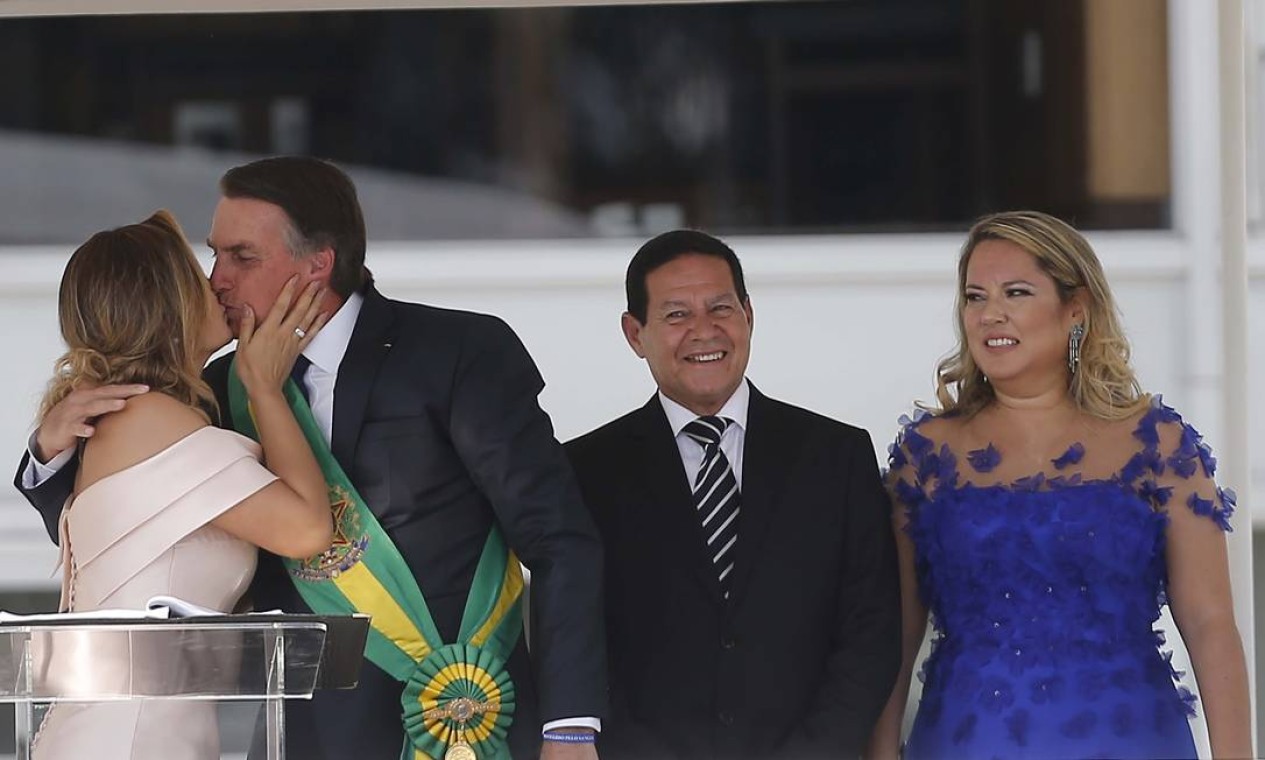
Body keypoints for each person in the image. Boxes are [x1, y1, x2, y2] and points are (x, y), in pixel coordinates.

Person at [16, 157, 606, 760]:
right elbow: (125, 536)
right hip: (305, 736)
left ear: (317, 263)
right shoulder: (214, 389)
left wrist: (570, 726)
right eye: (212, 256)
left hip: (475, 720)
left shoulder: (457, 351)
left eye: (241, 257)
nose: (218, 279)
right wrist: (50, 454)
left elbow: (556, 538)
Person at [866, 210, 1252, 760]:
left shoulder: (1158, 445)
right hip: (969, 742)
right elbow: (896, 640)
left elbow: (1211, 624)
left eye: (1016, 293)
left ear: (1076, 310)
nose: (991, 314)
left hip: (1131, 742)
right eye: (975, 297)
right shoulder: (925, 454)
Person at [564, 229, 901, 759]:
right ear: (635, 333)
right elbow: (577, 637)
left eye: (720, 307)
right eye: (676, 315)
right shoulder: (584, 470)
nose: (704, 331)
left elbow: (871, 628)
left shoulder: (836, 454)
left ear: (748, 314)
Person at [25, 210, 333, 760]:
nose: (216, 285)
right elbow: (307, 527)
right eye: (198, 274)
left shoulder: (142, 417)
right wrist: (263, 388)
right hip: (129, 742)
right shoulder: (150, 420)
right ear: (169, 303)